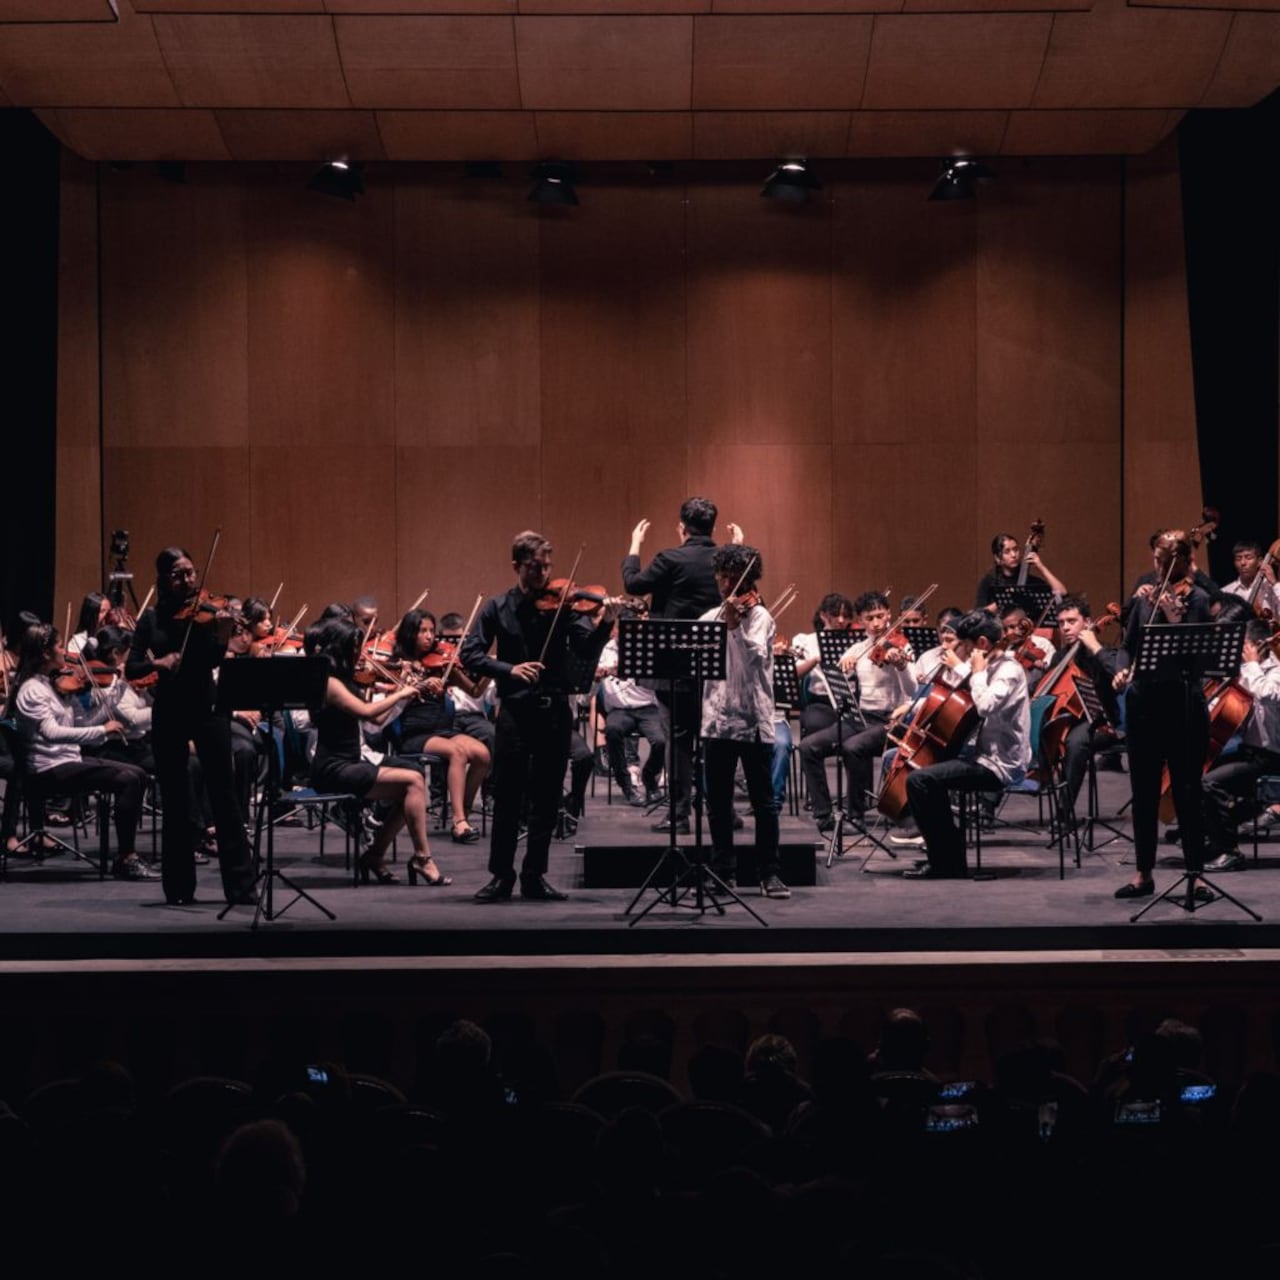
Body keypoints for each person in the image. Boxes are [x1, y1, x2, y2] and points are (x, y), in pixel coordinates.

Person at [461, 531, 617, 902]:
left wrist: (606, 623)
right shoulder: (498, 607)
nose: (543, 576)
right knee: (508, 797)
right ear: (516, 566)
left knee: (547, 798)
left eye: (547, 567)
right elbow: (470, 654)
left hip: (554, 713)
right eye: (535, 568)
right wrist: (508, 669)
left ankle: (534, 876)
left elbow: (586, 646)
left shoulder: (565, 607)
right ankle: (501, 876)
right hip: (515, 713)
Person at [127, 547, 256, 907]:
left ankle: (242, 888)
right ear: (163, 578)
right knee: (175, 798)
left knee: (224, 795)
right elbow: (132, 667)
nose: (187, 580)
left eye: (191, 573)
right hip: (169, 710)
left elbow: (214, 657)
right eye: (178, 574)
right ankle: (179, 889)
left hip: (207, 707)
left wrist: (225, 630)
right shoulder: (151, 619)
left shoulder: (208, 613)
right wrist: (163, 661)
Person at [1103, 531, 1213, 900]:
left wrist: (1170, 613)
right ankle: (1143, 873)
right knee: (1144, 792)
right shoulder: (1144, 598)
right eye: (1156, 561)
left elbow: (1198, 652)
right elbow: (1126, 647)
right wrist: (1122, 670)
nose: (1159, 569)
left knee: (1187, 790)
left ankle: (1196, 874)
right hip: (1144, 705)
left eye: (1166, 563)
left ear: (1183, 562)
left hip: (1183, 705)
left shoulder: (1196, 598)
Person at [621, 497, 739, 835]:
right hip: (716, 663)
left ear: (681, 527)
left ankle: (679, 814)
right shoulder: (724, 560)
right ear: (714, 527)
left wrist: (634, 545)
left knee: (679, 740)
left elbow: (633, 584)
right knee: (716, 739)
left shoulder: (670, 559)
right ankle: (724, 812)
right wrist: (737, 547)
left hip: (673, 665)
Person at [308, 616, 450, 886]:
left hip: (349, 762)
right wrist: (401, 693)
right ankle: (418, 857)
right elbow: (365, 711)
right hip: (333, 768)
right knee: (413, 782)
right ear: (339, 648)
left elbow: (374, 721)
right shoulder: (329, 683)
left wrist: (402, 691)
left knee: (413, 784)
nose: (359, 653)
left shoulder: (346, 680)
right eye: (354, 646)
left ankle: (378, 855)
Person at [8, 623, 154, 880]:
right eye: (58, 645)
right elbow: (52, 733)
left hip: (68, 760)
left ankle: (125, 856)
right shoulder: (32, 690)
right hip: (46, 769)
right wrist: (102, 731)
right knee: (128, 780)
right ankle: (126, 858)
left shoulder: (55, 686)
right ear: (44, 653)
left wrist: (116, 690)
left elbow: (83, 724)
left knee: (138, 774)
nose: (64, 651)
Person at [902, 609, 1031, 880]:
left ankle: (947, 862)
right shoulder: (985, 668)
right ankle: (946, 856)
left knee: (921, 781)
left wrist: (974, 671)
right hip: (979, 755)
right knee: (919, 772)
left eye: (965, 644)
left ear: (982, 644)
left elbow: (984, 706)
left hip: (1000, 765)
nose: (961, 648)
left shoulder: (1008, 671)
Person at [699, 543, 788, 898]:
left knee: (764, 804)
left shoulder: (761, 617)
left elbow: (754, 661)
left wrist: (734, 627)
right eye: (721, 576)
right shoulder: (709, 618)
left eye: (733, 578)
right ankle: (724, 871)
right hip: (717, 721)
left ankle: (770, 874)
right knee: (718, 803)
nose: (725, 584)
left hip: (752, 721)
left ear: (748, 580)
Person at [798, 591, 915, 835]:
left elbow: (913, 690)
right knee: (808, 747)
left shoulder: (902, 646)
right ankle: (824, 816)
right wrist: (846, 667)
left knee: (854, 747)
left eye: (880, 616)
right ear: (860, 621)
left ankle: (856, 816)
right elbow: (840, 682)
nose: (876, 623)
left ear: (889, 616)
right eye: (869, 618)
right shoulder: (858, 648)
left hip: (893, 721)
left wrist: (901, 665)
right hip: (861, 718)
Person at [392, 608, 490, 843]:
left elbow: (475, 691)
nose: (429, 636)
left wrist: (489, 669)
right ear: (409, 633)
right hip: (415, 732)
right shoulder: (399, 664)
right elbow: (393, 698)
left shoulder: (442, 664)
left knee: (482, 755)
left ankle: (464, 811)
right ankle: (459, 822)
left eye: (431, 631)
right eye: (422, 631)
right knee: (457, 752)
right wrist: (421, 683)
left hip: (443, 730)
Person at [1198, 617, 1280, 872]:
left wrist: (1252, 665)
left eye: (1242, 645)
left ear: (1257, 645)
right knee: (1197, 771)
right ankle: (1212, 837)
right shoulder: (1245, 670)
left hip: (1272, 755)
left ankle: (1229, 850)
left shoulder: (1275, 673)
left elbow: (1266, 694)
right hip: (1250, 750)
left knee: (1210, 782)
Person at [596, 604, 665, 807]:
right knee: (612, 730)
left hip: (647, 707)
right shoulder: (604, 649)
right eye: (622, 630)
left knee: (661, 740)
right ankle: (626, 785)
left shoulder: (648, 649)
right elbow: (591, 673)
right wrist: (601, 672)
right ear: (616, 630)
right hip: (619, 709)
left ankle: (649, 778)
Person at [975, 532, 1067, 612]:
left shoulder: (1030, 581)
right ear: (997, 558)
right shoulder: (989, 581)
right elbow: (979, 614)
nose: (1014, 555)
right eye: (1007, 551)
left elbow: (1062, 593)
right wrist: (1003, 600)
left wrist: (1041, 566)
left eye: (1016, 549)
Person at [1221, 540, 1280, 620]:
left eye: (1248, 558)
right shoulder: (1226, 592)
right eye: (1238, 559)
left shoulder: (1271, 589)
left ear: (1260, 561)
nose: (1243, 563)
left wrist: (1274, 583)